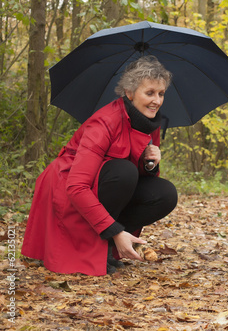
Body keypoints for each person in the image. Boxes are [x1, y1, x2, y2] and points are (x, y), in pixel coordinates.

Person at [21, 56, 178, 276]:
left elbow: (141, 176)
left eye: (161, 94)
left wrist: (150, 163)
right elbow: (76, 187)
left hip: (108, 183)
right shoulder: (104, 122)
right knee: (124, 172)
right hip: (67, 185)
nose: (157, 101)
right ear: (130, 93)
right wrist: (115, 231)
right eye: (150, 93)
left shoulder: (150, 122)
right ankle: (102, 242)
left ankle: (109, 247)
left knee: (165, 193)